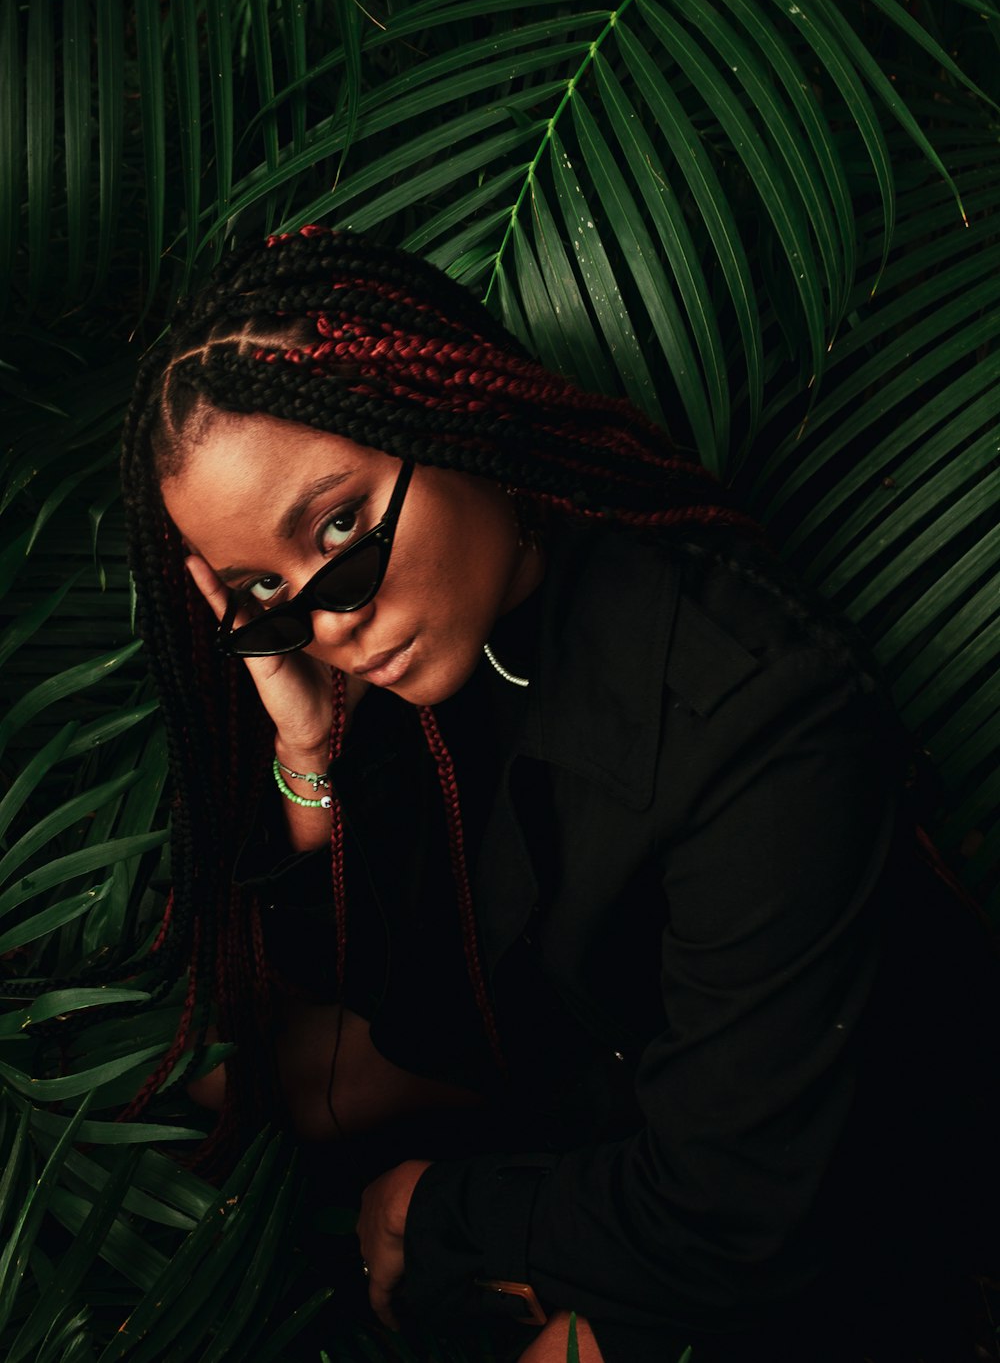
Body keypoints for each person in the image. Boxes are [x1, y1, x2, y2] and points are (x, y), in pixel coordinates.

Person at [120, 225, 996, 1363]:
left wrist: (435, 1214)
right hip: (600, 1099)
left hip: (822, 1194)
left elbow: (731, 1215)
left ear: (449, 425)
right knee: (229, 1084)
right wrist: (307, 754)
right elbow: (390, 994)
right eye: (262, 591)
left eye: (337, 527)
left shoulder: (750, 715)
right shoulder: (425, 653)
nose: (326, 624)